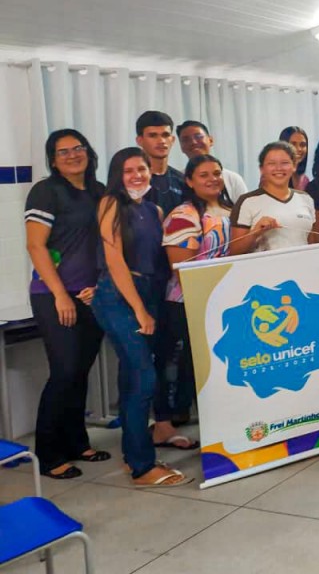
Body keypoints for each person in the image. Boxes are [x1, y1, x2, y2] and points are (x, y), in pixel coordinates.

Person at [92, 147, 190, 487]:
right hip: (119, 297)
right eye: (128, 170)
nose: (136, 176)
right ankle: (142, 466)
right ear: (117, 175)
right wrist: (138, 309)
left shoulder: (154, 209)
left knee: (131, 375)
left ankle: (131, 454)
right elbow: (114, 261)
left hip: (150, 292)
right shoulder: (110, 204)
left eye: (142, 169)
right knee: (143, 377)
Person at [24, 129, 108, 479]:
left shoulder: (99, 191)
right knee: (64, 371)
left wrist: (100, 287)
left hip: (91, 294)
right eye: (63, 152)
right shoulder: (46, 191)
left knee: (80, 371)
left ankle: (77, 442)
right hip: (54, 295)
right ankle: (47, 454)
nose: (73, 155)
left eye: (78, 148)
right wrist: (60, 294)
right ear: (53, 160)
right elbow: (36, 246)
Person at [159, 154, 233, 447]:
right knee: (197, 367)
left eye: (216, 173)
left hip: (225, 301)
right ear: (189, 181)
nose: (213, 179)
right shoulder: (184, 215)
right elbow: (181, 268)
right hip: (189, 303)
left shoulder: (231, 209)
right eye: (204, 175)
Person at [230, 141, 315, 254]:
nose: (278, 168)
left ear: (294, 166)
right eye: (271, 163)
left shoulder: (305, 198)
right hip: (265, 265)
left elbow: (313, 243)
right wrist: (255, 232)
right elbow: (235, 251)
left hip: (303, 263)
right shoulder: (247, 201)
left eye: (285, 163)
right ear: (262, 169)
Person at [175, 120, 247, 201]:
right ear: (181, 146)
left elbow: (245, 207)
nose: (193, 142)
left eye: (198, 137)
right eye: (185, 140)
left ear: (211, 140)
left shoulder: (232, 179)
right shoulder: (177, 179)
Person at [136, 111, 185, 216]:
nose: (161, 141)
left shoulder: (182, 180)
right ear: (139, 140)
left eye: (166, 135)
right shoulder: (132, 179)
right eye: (153, 135)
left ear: (172, 140)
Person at [279, 126, 310, 190]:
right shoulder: (273, 176)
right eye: (293, 144)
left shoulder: (305, 180)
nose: (299, 149)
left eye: (302, 145)